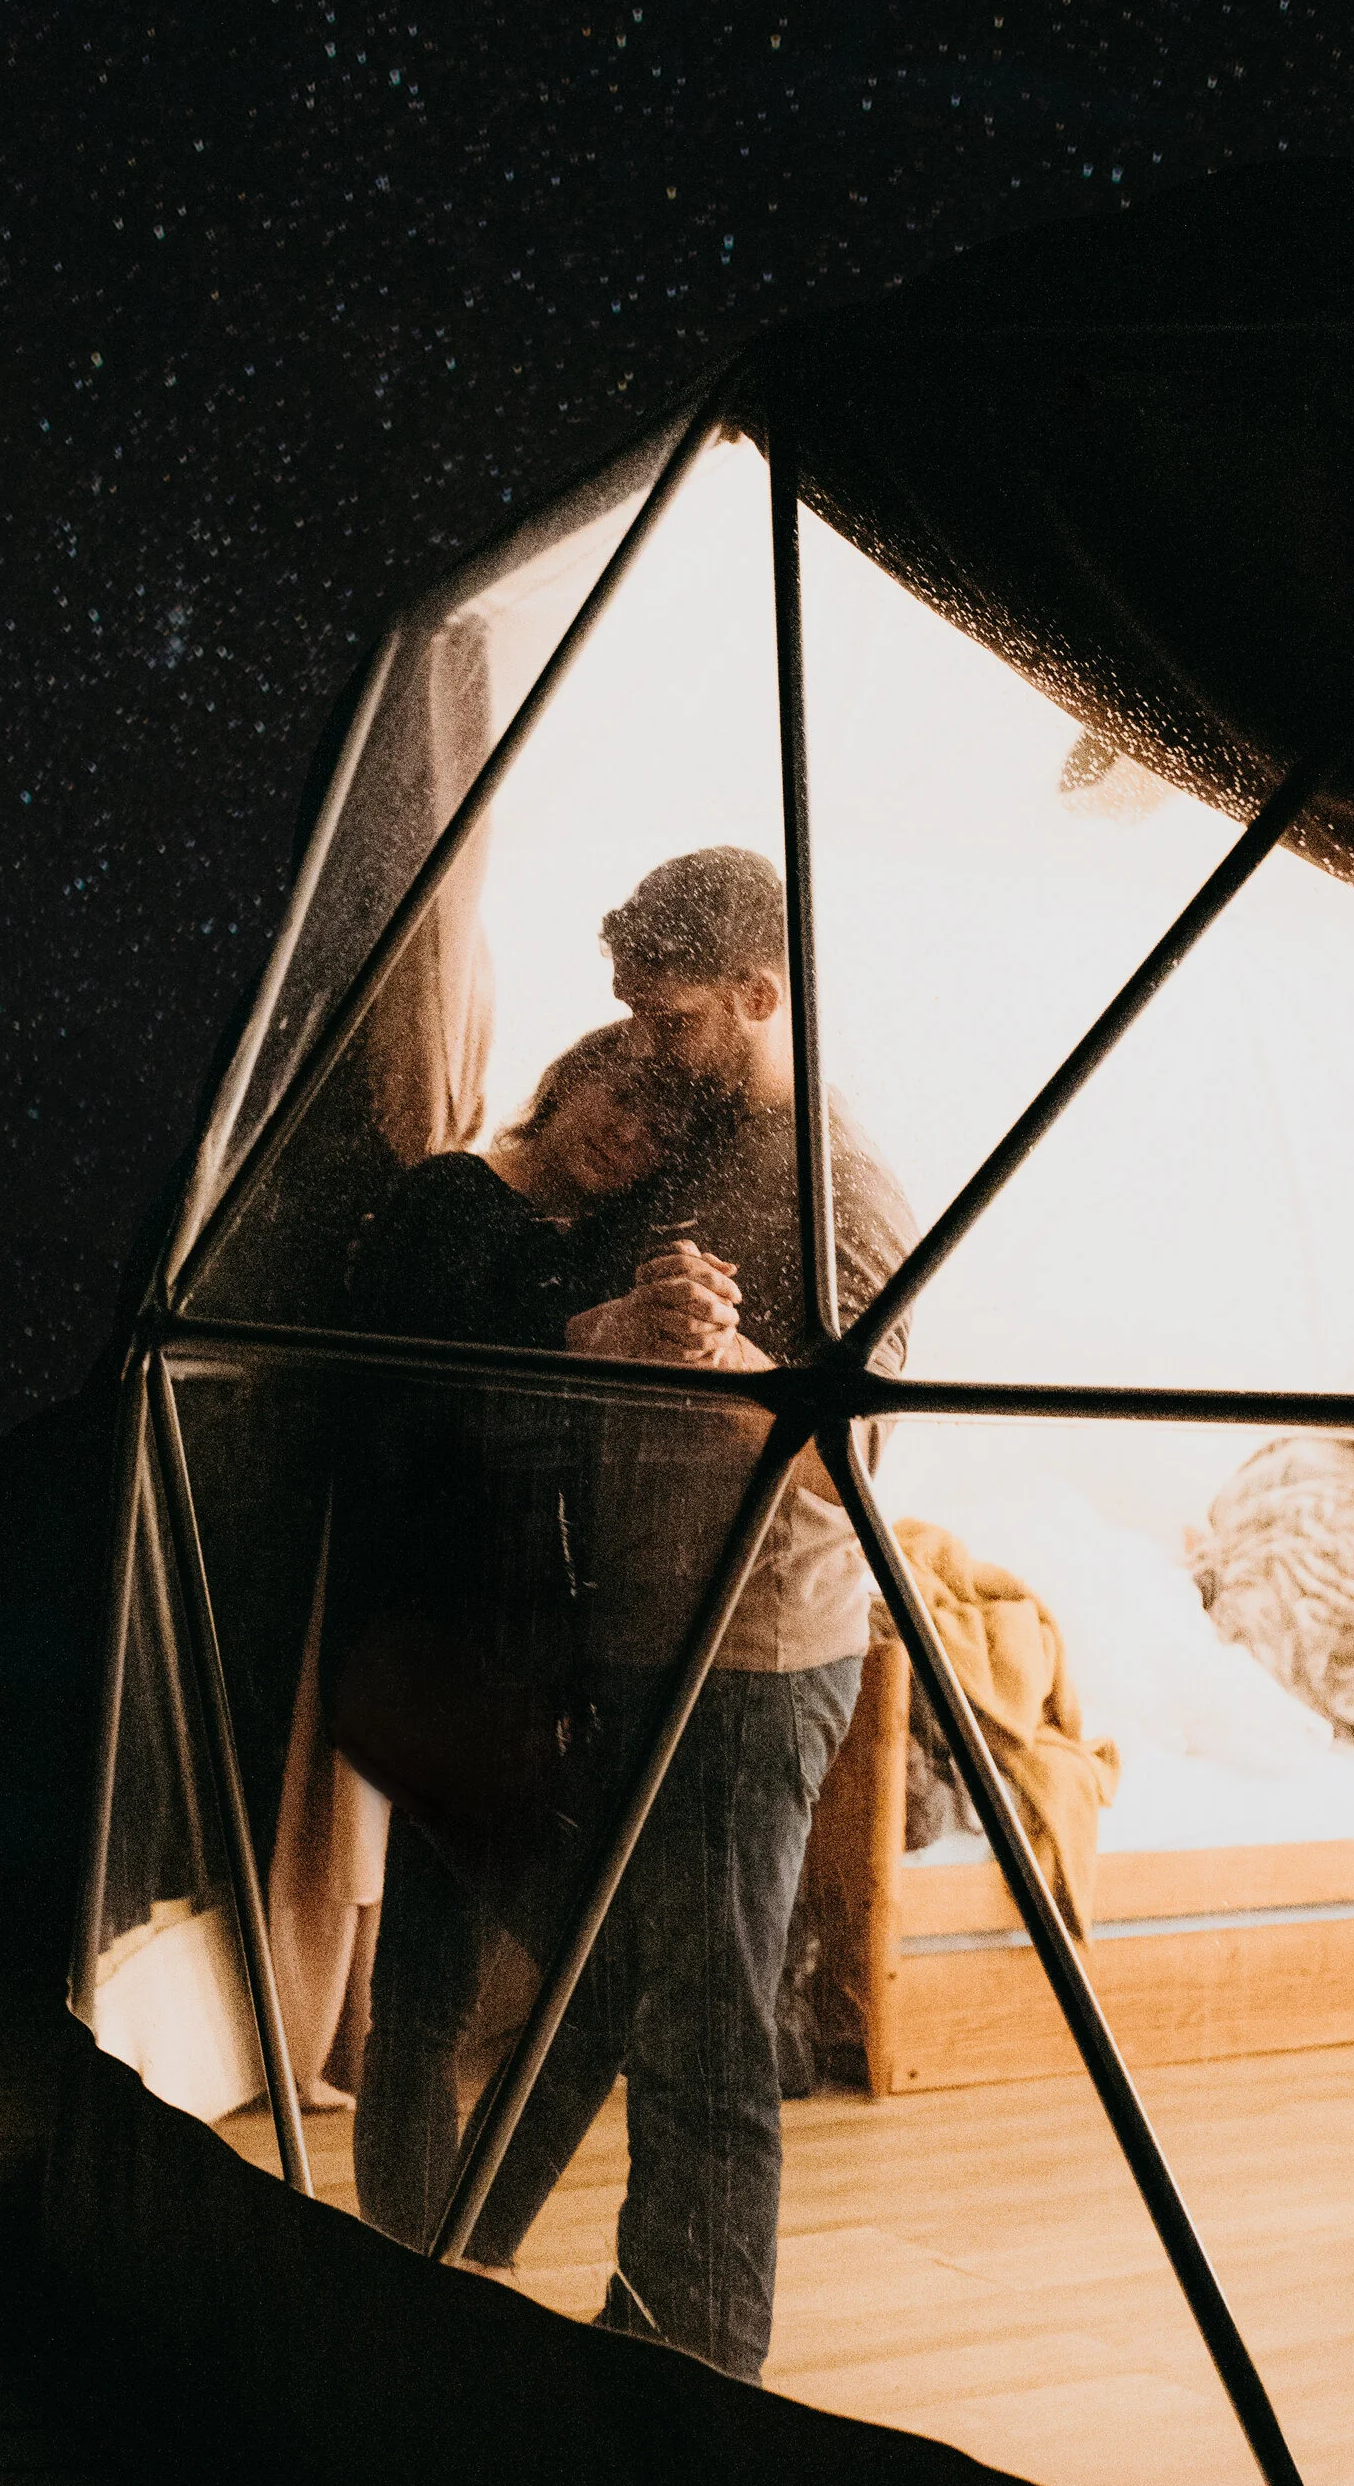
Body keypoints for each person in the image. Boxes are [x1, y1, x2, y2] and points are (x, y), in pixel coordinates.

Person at [468, 847, 919, 2382]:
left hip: (755, 1660)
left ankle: (692, 2363)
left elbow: (850, 1457)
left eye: (666, 1019)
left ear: (757, 993)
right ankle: (459, 2242)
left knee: (706, 2040)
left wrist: (718, 1373)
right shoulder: (695, 1146)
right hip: (646, 1642)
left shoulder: (844, 1187)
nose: (643, 1049)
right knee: (590, 1982)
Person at [335, 1025, 694, 2249]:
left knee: (430, 1985)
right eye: (620, 1095)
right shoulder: (447, 1200)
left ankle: (430, 2248)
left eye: (659, 1129)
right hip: (425, 1644)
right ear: (569, 1075)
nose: (628, 1133)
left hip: (521, 1657)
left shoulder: (595, 1250)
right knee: (548, 1979)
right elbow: (424, 1399)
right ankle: (448, 2241)